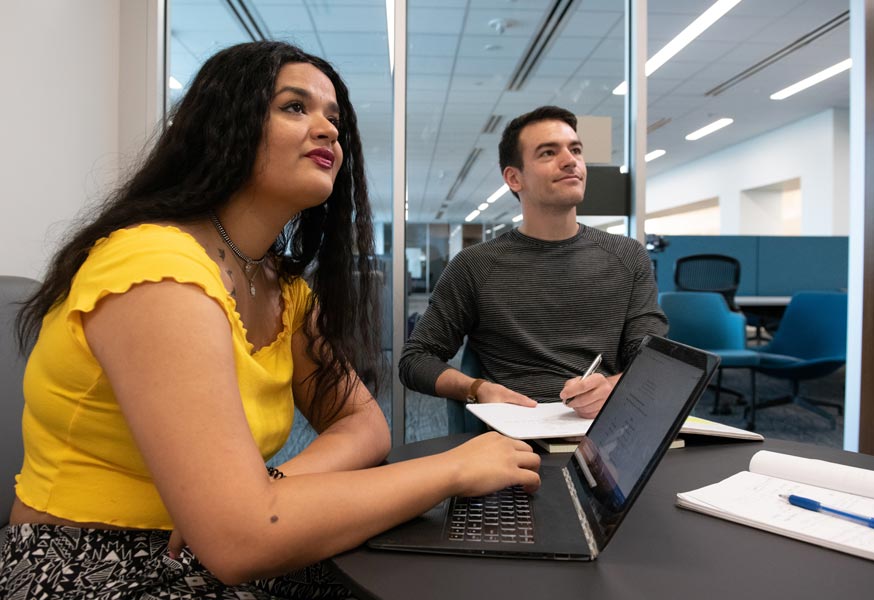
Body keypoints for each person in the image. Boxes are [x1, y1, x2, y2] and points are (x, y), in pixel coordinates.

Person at [1, 41, 539, 599]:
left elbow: (363, 425)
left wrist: (271, 487)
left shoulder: (281, 287)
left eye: (333, 117)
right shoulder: (155, 268)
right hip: (90, 562)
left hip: (205, 544)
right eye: (294, 107)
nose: (328, 129)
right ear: (224, 126)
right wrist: (454, 470)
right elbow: (241, 543)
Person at [399, 106, 668, 421]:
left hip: (607, 427)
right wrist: (477, 388)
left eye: (576, 150)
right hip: (518, 434)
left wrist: (612, 387)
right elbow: (415, 359)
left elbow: (654, 358)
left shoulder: (627, 256)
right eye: (548, 153)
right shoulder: (475, 265)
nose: (571, 161)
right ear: (514, 178)